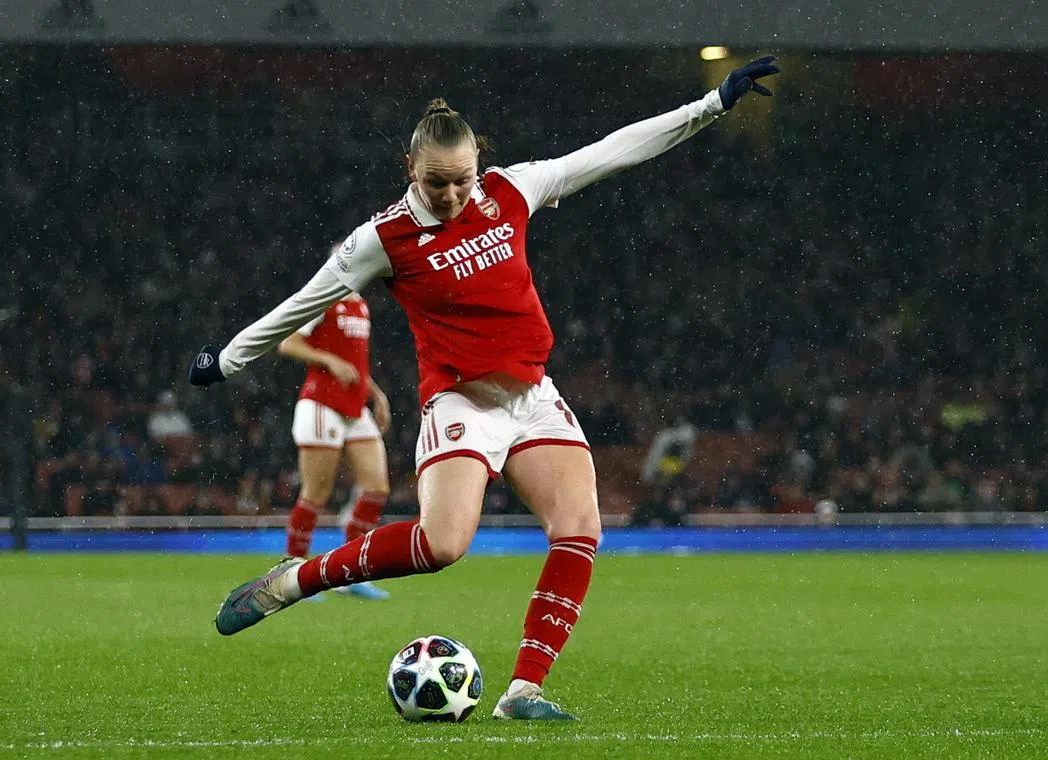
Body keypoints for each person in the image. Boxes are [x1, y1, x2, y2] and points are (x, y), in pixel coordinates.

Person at [188, 56, 780, 720]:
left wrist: (712, 105)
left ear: (480, 165)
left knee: (580, 529)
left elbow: (614, 150)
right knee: (443, 544)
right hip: (462, 400)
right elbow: (300, 305)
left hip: (532, 395)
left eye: (462, 181)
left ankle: (523, 690)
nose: (452, 196)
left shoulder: (510, 189)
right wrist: (230, 361)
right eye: (437, 183)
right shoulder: (380, 239)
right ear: (410, 169)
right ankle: (291, 582)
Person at [277, 283, 393, 600]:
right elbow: (288, 344)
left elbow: (353, 362)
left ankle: (351, 572)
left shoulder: (361, 306)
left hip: (355, 406)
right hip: (321, 404)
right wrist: (329, 360)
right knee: (317, 493)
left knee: (377, 488)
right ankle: (292, 571)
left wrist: (376, 393)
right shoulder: (321, 300)